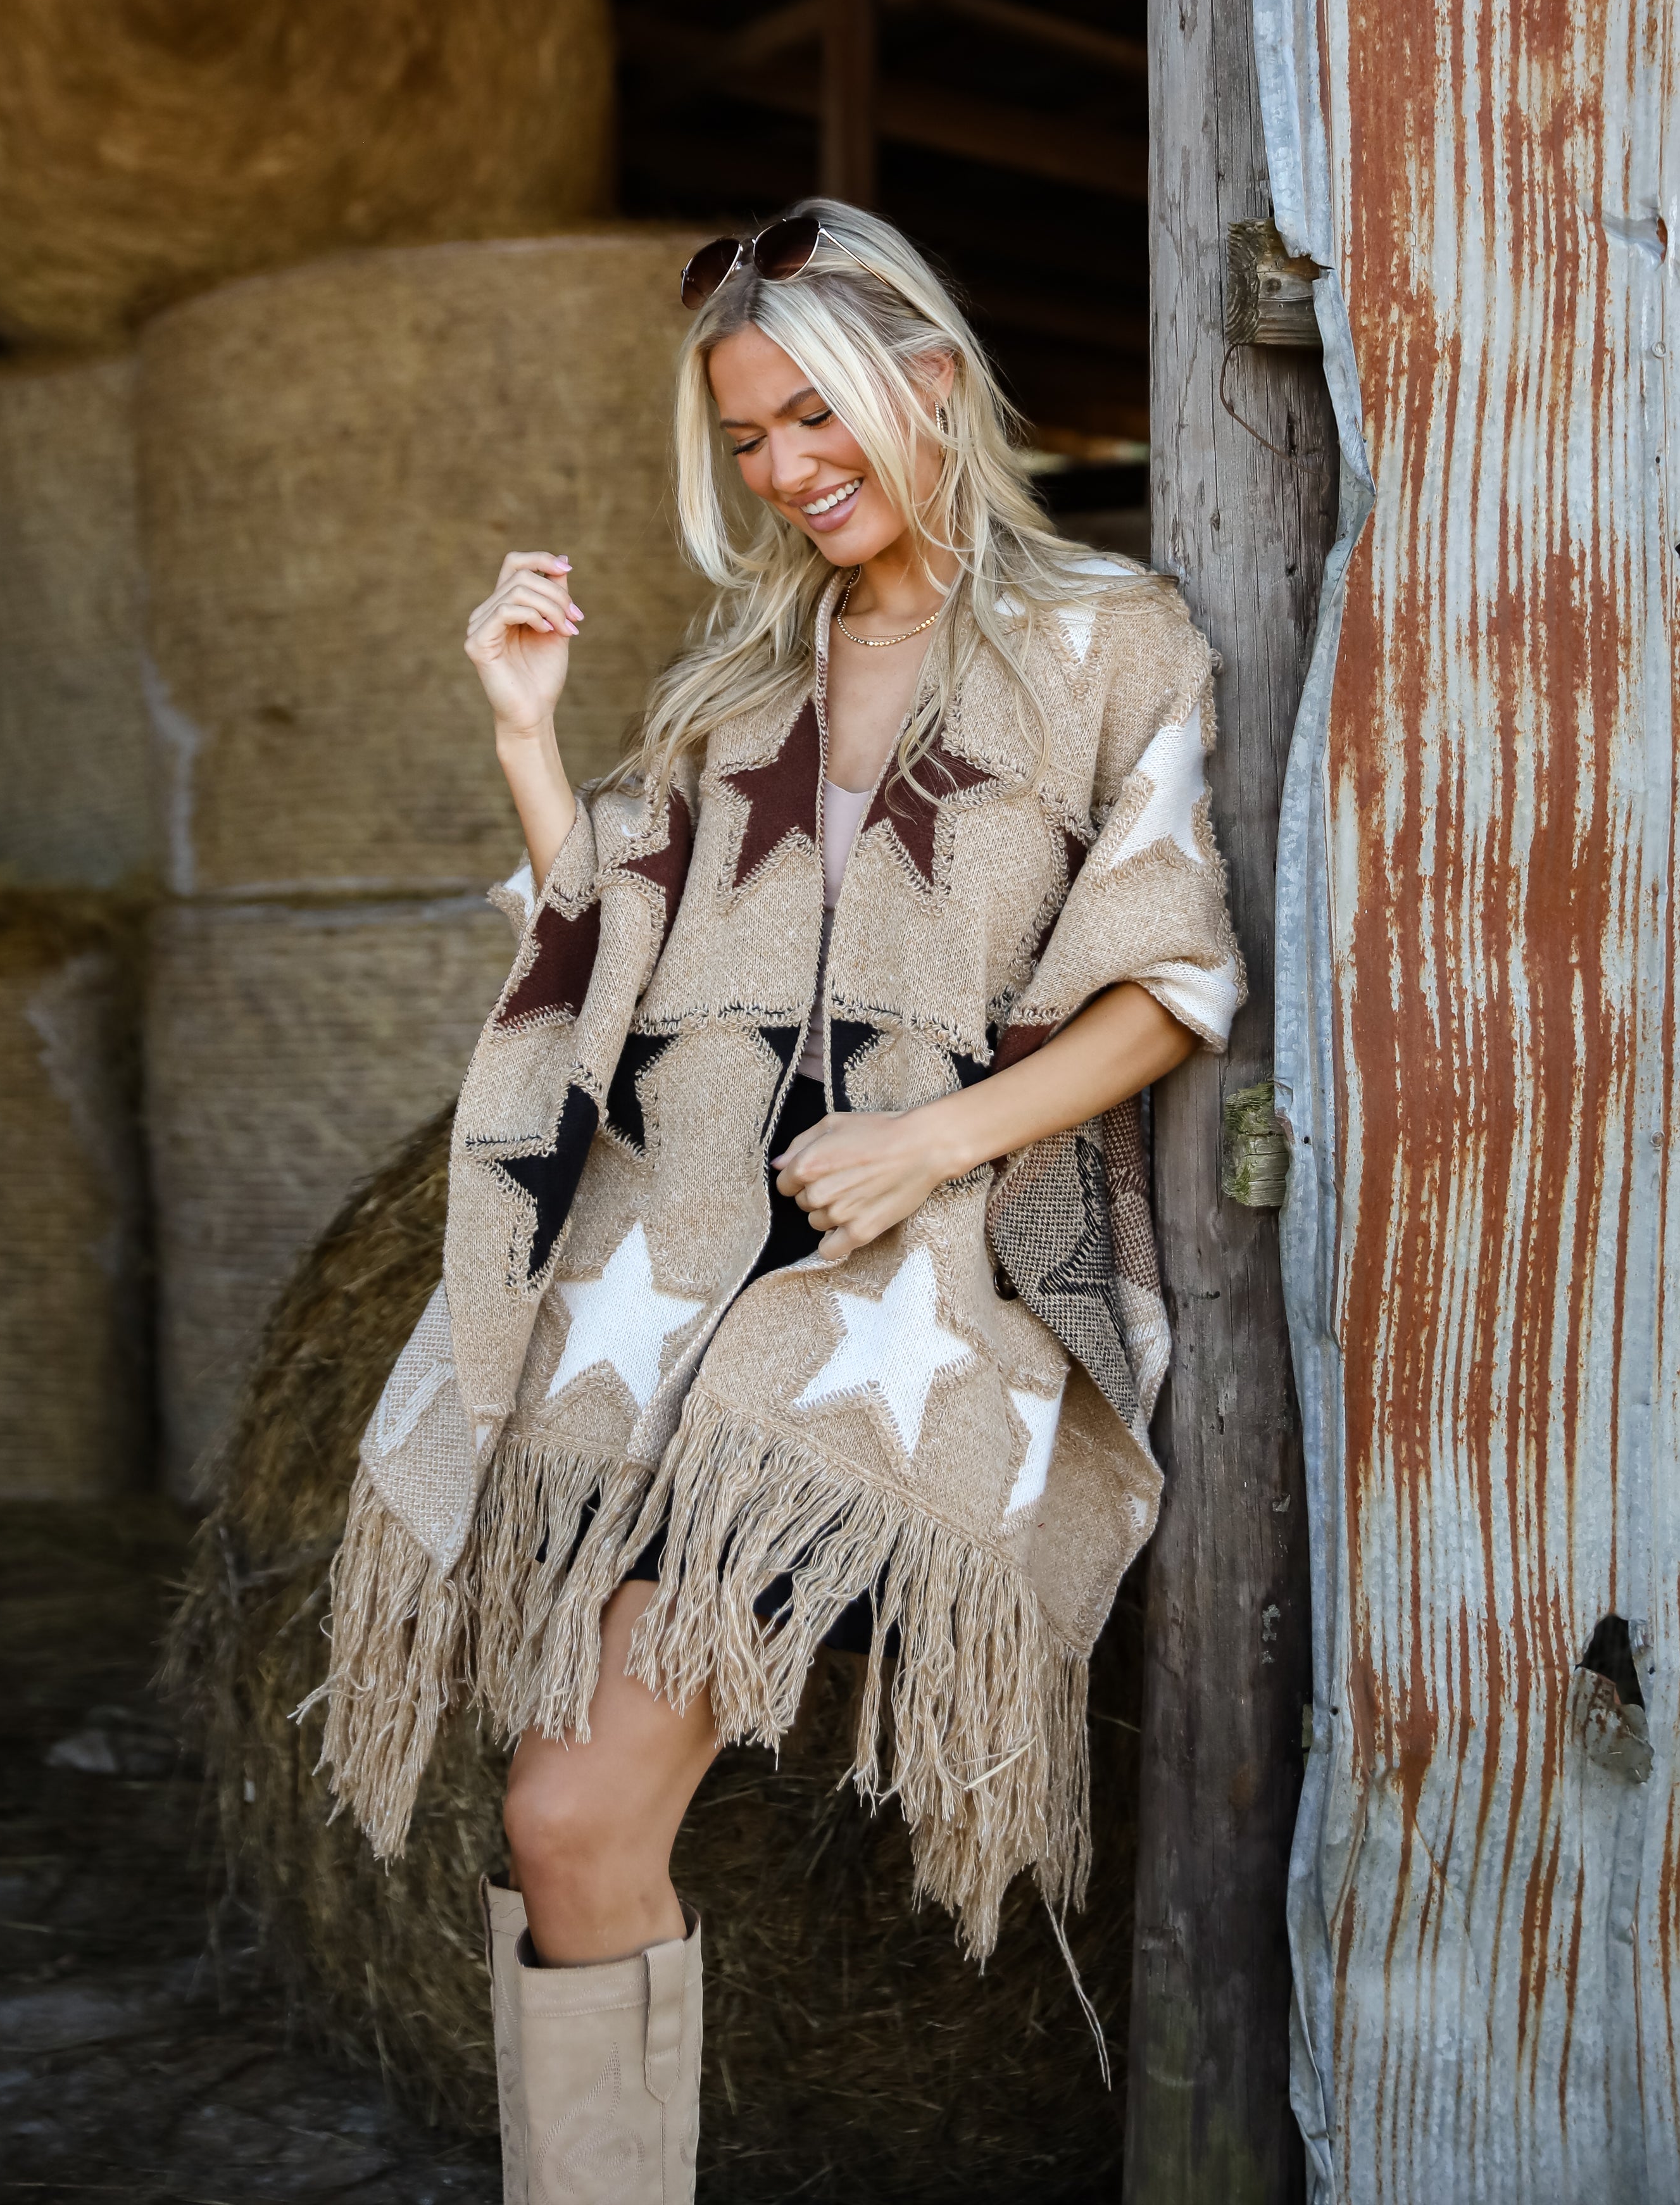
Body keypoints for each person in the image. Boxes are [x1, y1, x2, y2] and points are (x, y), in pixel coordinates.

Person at [318, 203, 1243, 2204]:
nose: (783, 468)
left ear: (930, 384)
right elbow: (603, 955)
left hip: (905, 1290)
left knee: (568, 1818)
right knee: (561, 1822)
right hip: (669, 1267)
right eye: (745, 436)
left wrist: (937, 1142)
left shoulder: (1108, 639)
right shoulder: (744, 675)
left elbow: (1165, 980)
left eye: (813, 415)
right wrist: (523, 733)